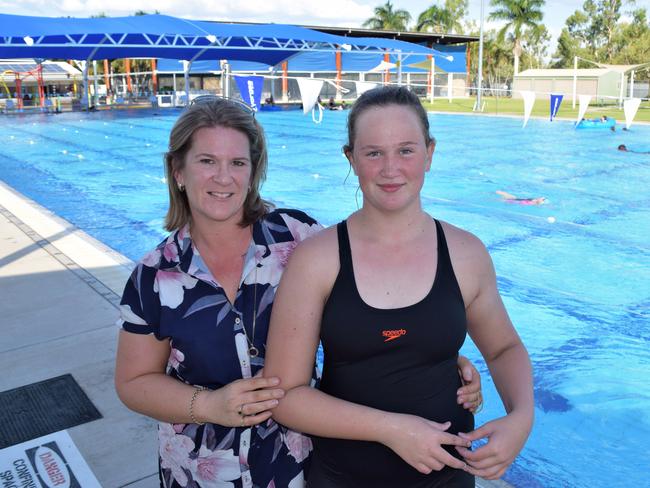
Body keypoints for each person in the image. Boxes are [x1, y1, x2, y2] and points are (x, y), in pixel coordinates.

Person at [114, 96, 483, 488]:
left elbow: (370, 301)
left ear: (253, 172)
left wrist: (435, 350)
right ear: (179, 171)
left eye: (237, 163)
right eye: (207, 161)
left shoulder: (295, 238)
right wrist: (209, 405)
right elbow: (133, 383)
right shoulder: (154, 276)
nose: (223, 178)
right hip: (200, 471)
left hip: (299, 465)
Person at [265, 86, 534, 487]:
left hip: (448, 478)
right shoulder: (318, 260)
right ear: (351, 158)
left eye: (406, 150)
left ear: (429, 152)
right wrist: (391, 429)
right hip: (345, 477)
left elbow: (503, 348)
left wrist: (521, 418)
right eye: (373, 152)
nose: (391, 168)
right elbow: (285, 395)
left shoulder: (465, 253)